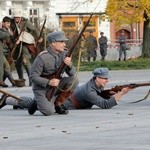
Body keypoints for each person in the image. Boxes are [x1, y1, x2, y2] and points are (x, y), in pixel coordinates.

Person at [28, 30, 79, 116]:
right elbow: (33, 77)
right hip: (42, 88)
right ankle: (36, 102)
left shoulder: (65, 54)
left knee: (74, 80)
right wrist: (49, 82)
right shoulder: (42, 57)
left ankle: (58, 104)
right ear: (53, 43)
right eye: (61, 42)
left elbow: (72, 74)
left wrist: (69, 65)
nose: (64, 44)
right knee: (48, 112)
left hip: (57, 85)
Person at [62, 67, 132, 109]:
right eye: (105, 78)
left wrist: (108, 94)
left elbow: (99, 94)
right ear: (98, 78)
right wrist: (121, 93)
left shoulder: (94, 84)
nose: (107, 80)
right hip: (66, 105)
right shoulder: (89, 91)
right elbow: (105, 105)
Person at [10, 10, 43, 86]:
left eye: (18, 17)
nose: (16, 19)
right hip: (16, 44)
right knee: (17, 63)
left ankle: (32, 80)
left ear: (20, 17)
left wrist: (39, 37)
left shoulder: (26, 22)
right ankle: (21, 80)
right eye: (15, 17)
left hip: (25, 43)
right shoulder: (11, 23)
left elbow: (34, 30)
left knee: (25, 61)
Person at [2, 16, 16, 86]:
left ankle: (2, 81)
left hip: (6, 51)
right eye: (7, 23)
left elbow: (9, 41)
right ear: (3, 23)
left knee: (6, 67)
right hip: (1, 51)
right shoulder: (1, 30)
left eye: (9, 23)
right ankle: (13, 81)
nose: (8, 24)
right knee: (6, 66)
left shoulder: (9, 30)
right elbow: (5, 37)